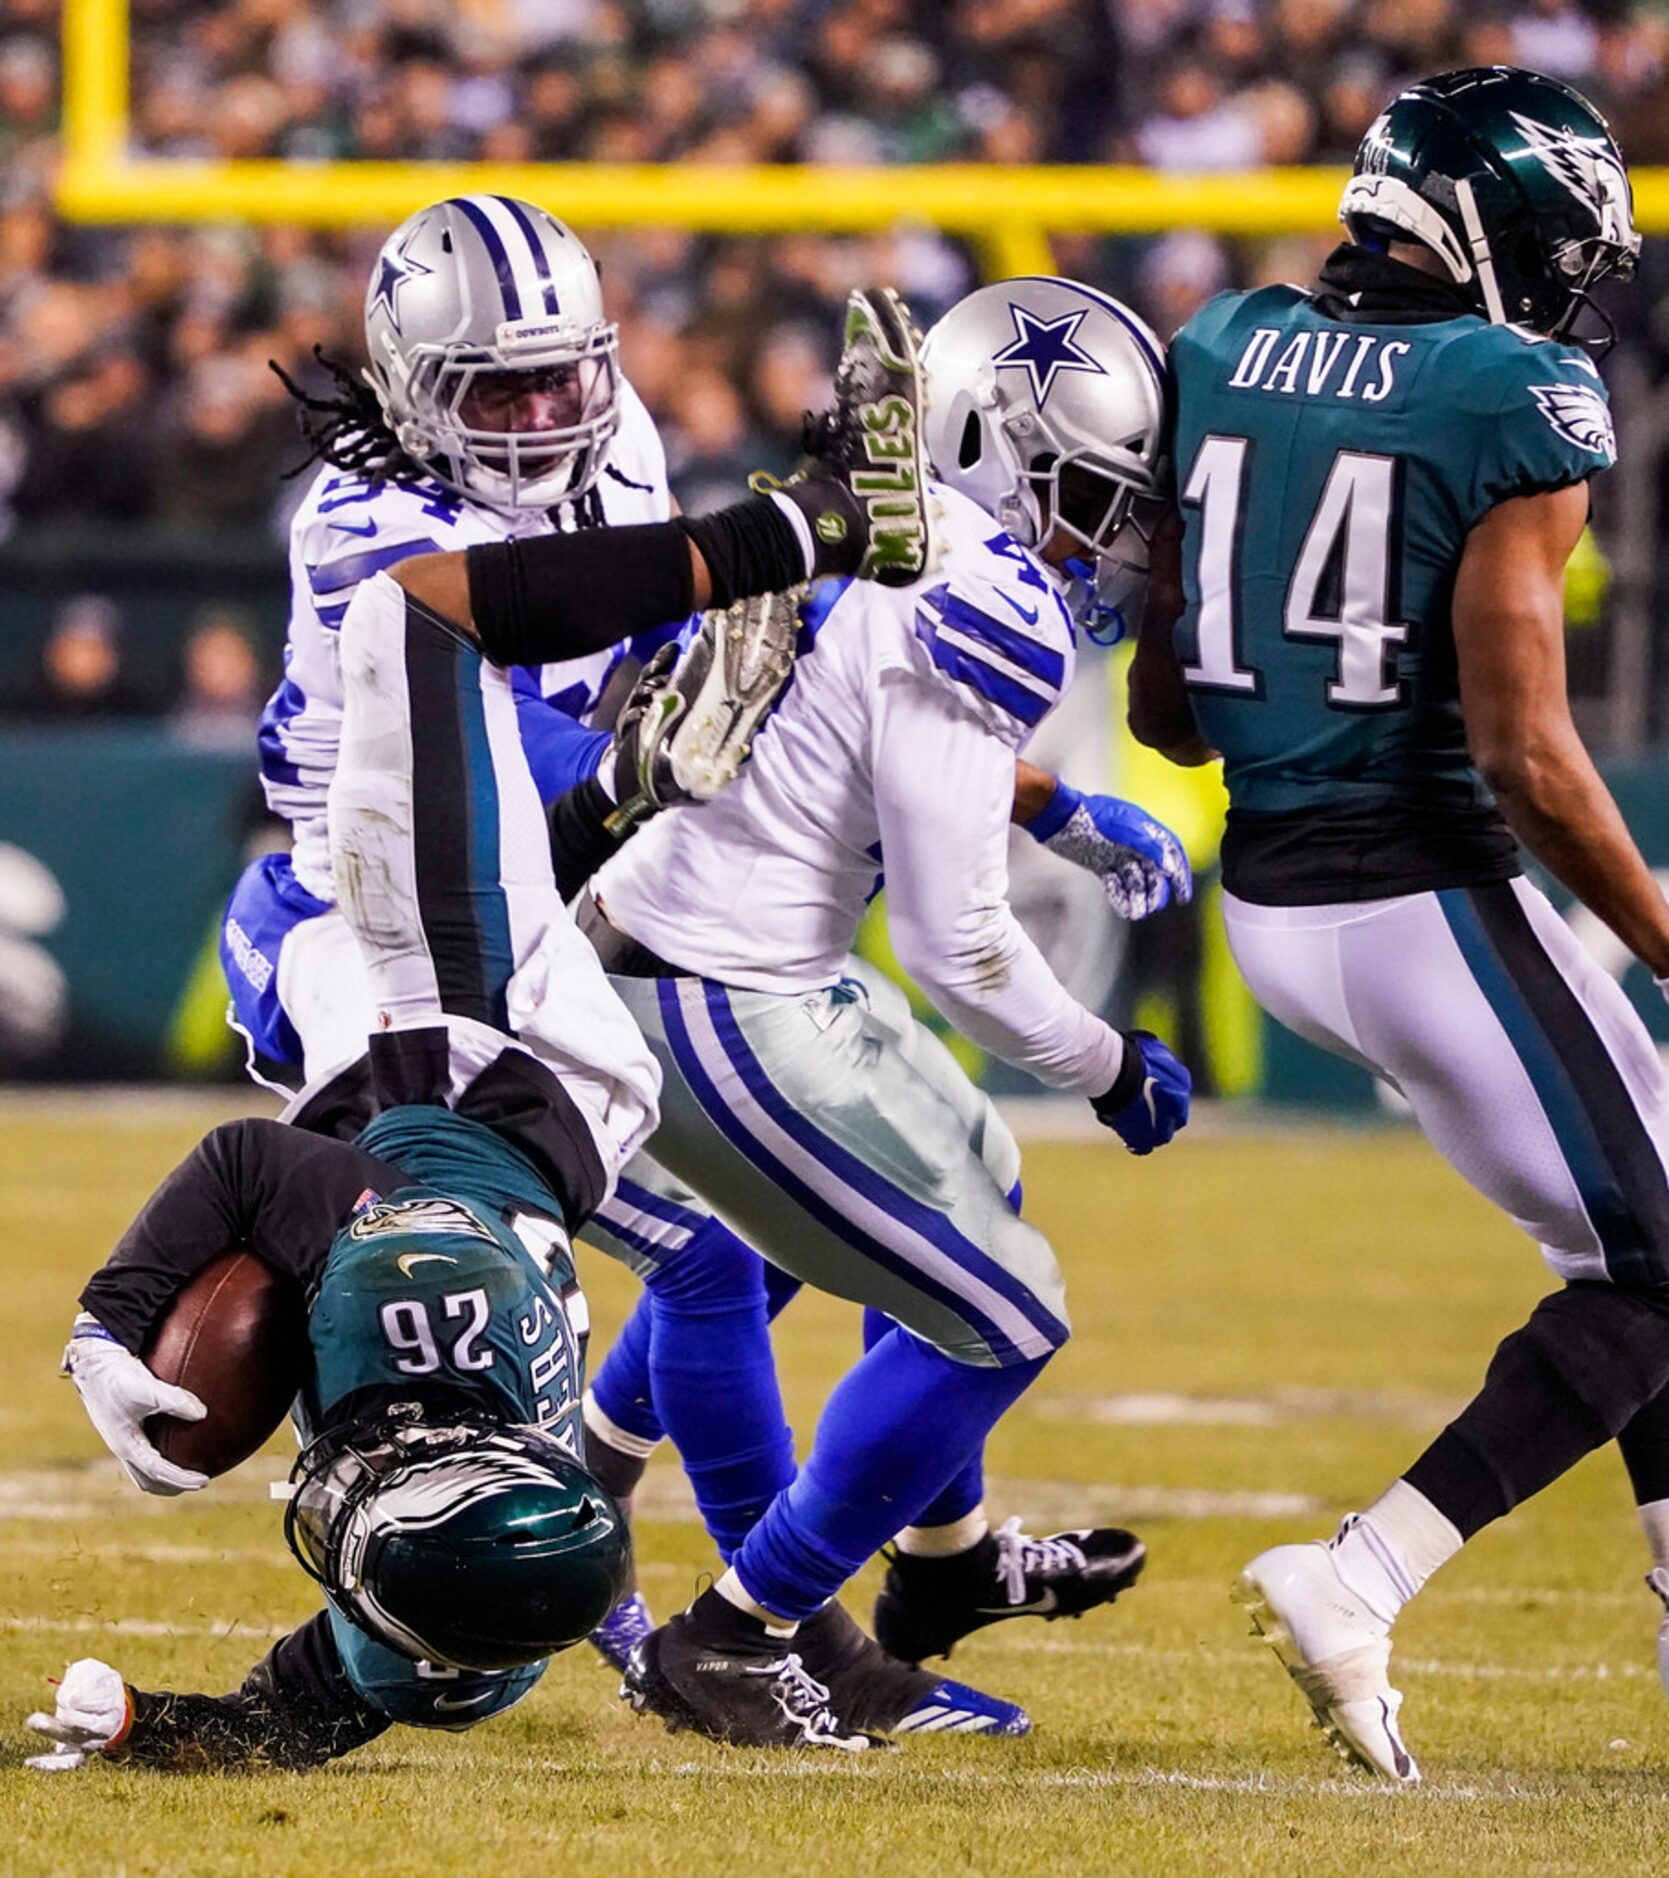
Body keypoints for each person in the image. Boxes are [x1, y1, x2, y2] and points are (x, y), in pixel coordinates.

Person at [545, 276, 1193, 1746]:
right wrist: (1105, 1064)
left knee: (967, 1186)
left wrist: (1061, 807)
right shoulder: (984, 588)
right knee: (1002, 1314)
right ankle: (742, 1631)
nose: (1120, 536)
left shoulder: (895, 533)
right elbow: (955, 945)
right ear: (995, 442)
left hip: (698, 949)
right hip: (717, 990)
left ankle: (929, 1569)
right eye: (1099, 494)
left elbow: (869, 742)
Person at [1129, 65, 1666, 1784]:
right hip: (1423, 888)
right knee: (1658, 1258)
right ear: (1495, 232)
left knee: (1635, 1239)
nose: (1579, 280)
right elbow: (1525, 752)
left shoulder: (1219, 341)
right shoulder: (1511, 390)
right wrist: (1662, 929)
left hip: (1276, 902)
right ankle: (1357, 1573)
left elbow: (1166, 706)